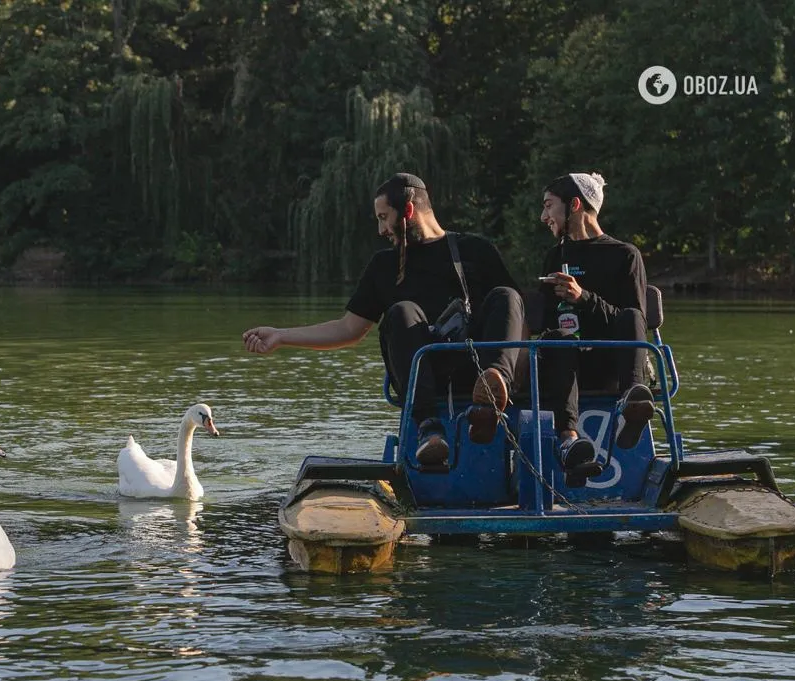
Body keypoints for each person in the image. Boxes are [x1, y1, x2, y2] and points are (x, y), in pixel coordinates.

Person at [242, 172, 525, 467]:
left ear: (408, 211)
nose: (381, 229)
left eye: (383, 217)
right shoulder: (383, 266)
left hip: (479, 367)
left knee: (506, 295)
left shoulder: (475, 251)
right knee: (402, 311)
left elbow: (516, 314)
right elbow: (348, 329)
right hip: (427, 376)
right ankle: (429, 430)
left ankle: (492, 399)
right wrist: (281, 336)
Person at [536, 172, 654, 485]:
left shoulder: (625, 255)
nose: (543, 216)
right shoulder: (554, 256)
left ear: (574, 205)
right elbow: (547, 322)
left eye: (549, 206)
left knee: (631, 316)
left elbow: (633, 322)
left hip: (612, 363)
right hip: (566, 363)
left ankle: (634, 404)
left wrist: (584, 298)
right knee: (557, 340)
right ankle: (569, 441)